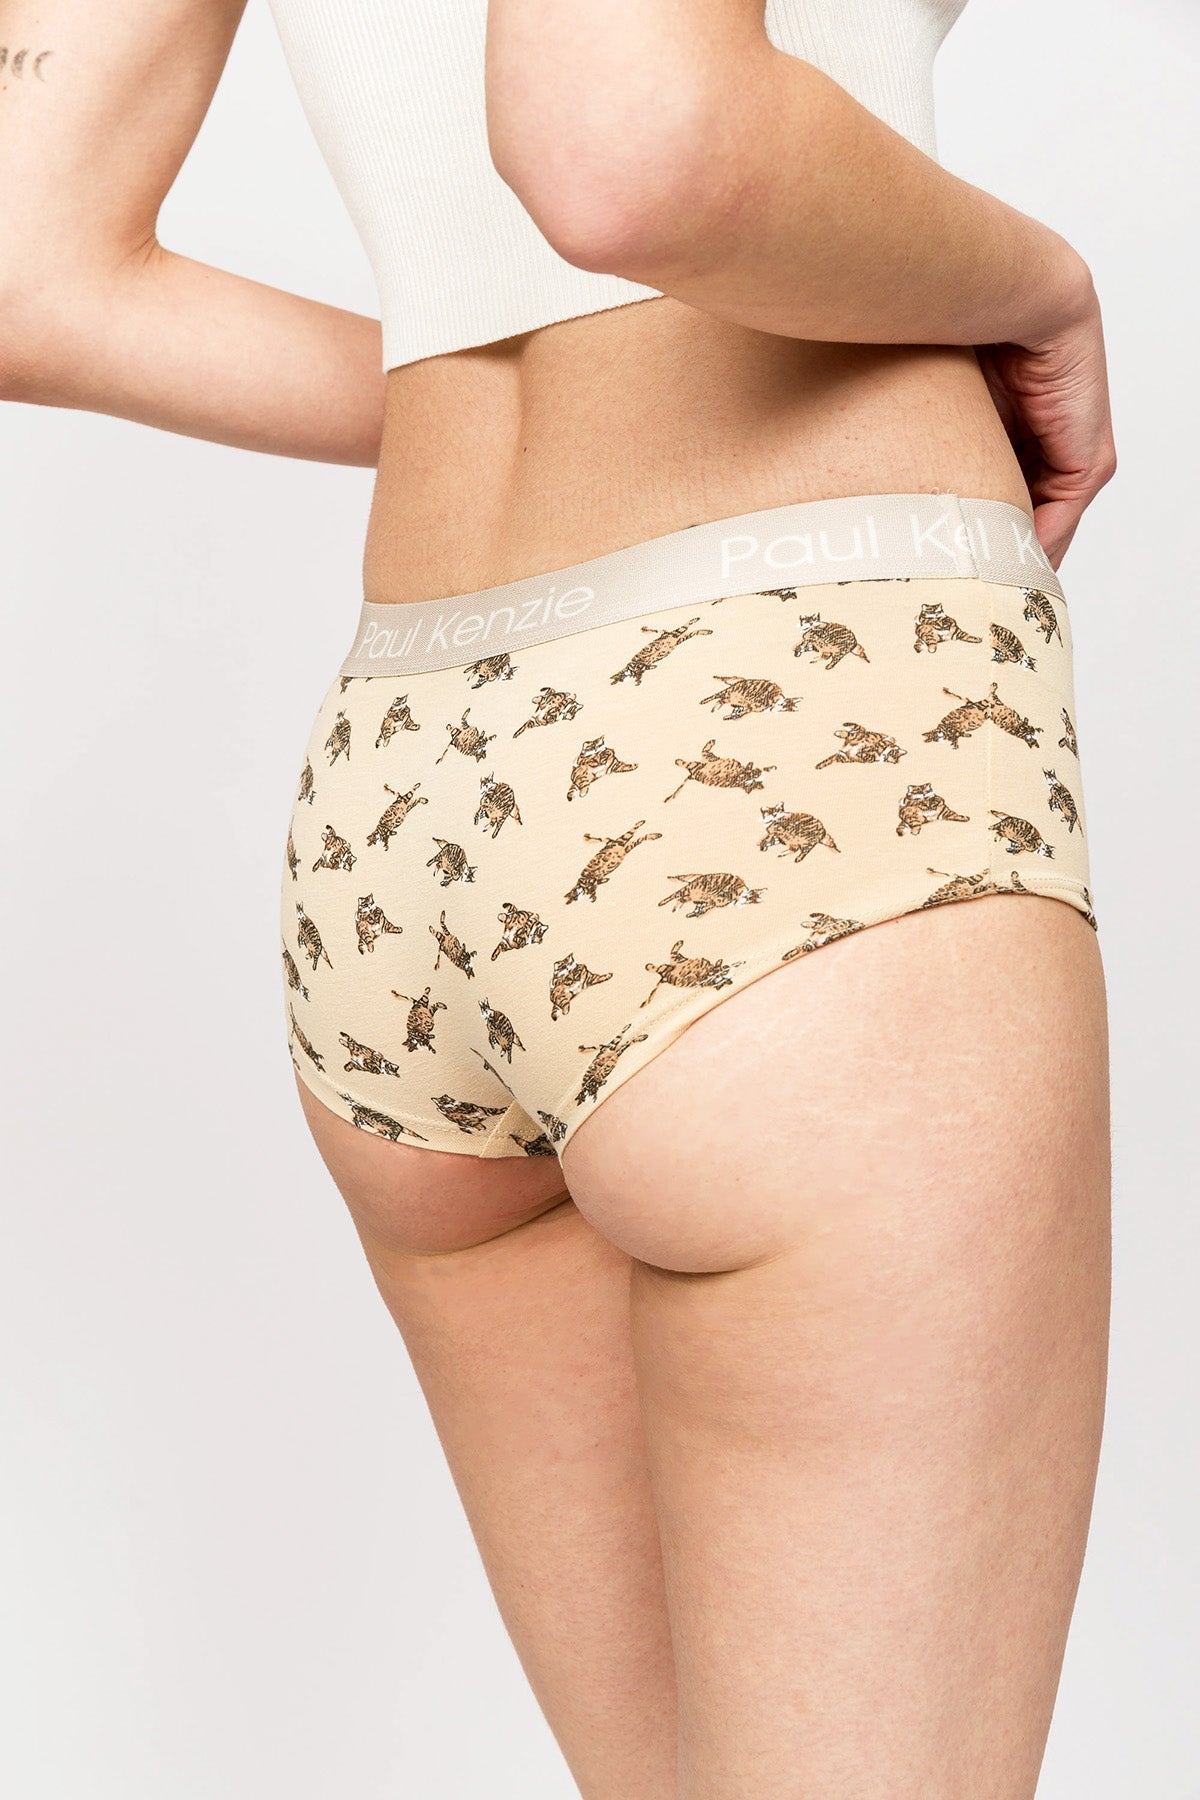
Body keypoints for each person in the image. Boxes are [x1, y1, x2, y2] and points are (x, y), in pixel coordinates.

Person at [2, 1, 1115, 1792]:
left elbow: (24, 266)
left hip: (402, 794)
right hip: (782, 707)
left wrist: (450, 372)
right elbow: (629, 140)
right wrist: (1036, 288)